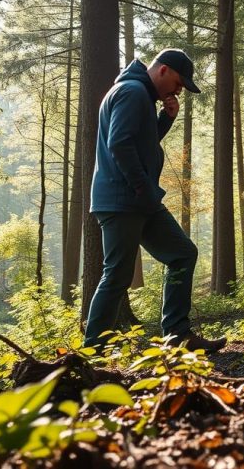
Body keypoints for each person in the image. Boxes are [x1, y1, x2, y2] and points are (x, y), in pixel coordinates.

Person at [83, 49, 226, 353]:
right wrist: (143, 188)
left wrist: (166, 119)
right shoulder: (132, 92)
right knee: (117, 276)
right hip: (124, 201)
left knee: (182, 254)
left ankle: (177, 335)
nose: (178, 89)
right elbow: (120, 144)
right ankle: (89, 354)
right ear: (163, 71)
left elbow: (140, 141)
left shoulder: (139, 95)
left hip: (136, 200)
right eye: (178, 82)